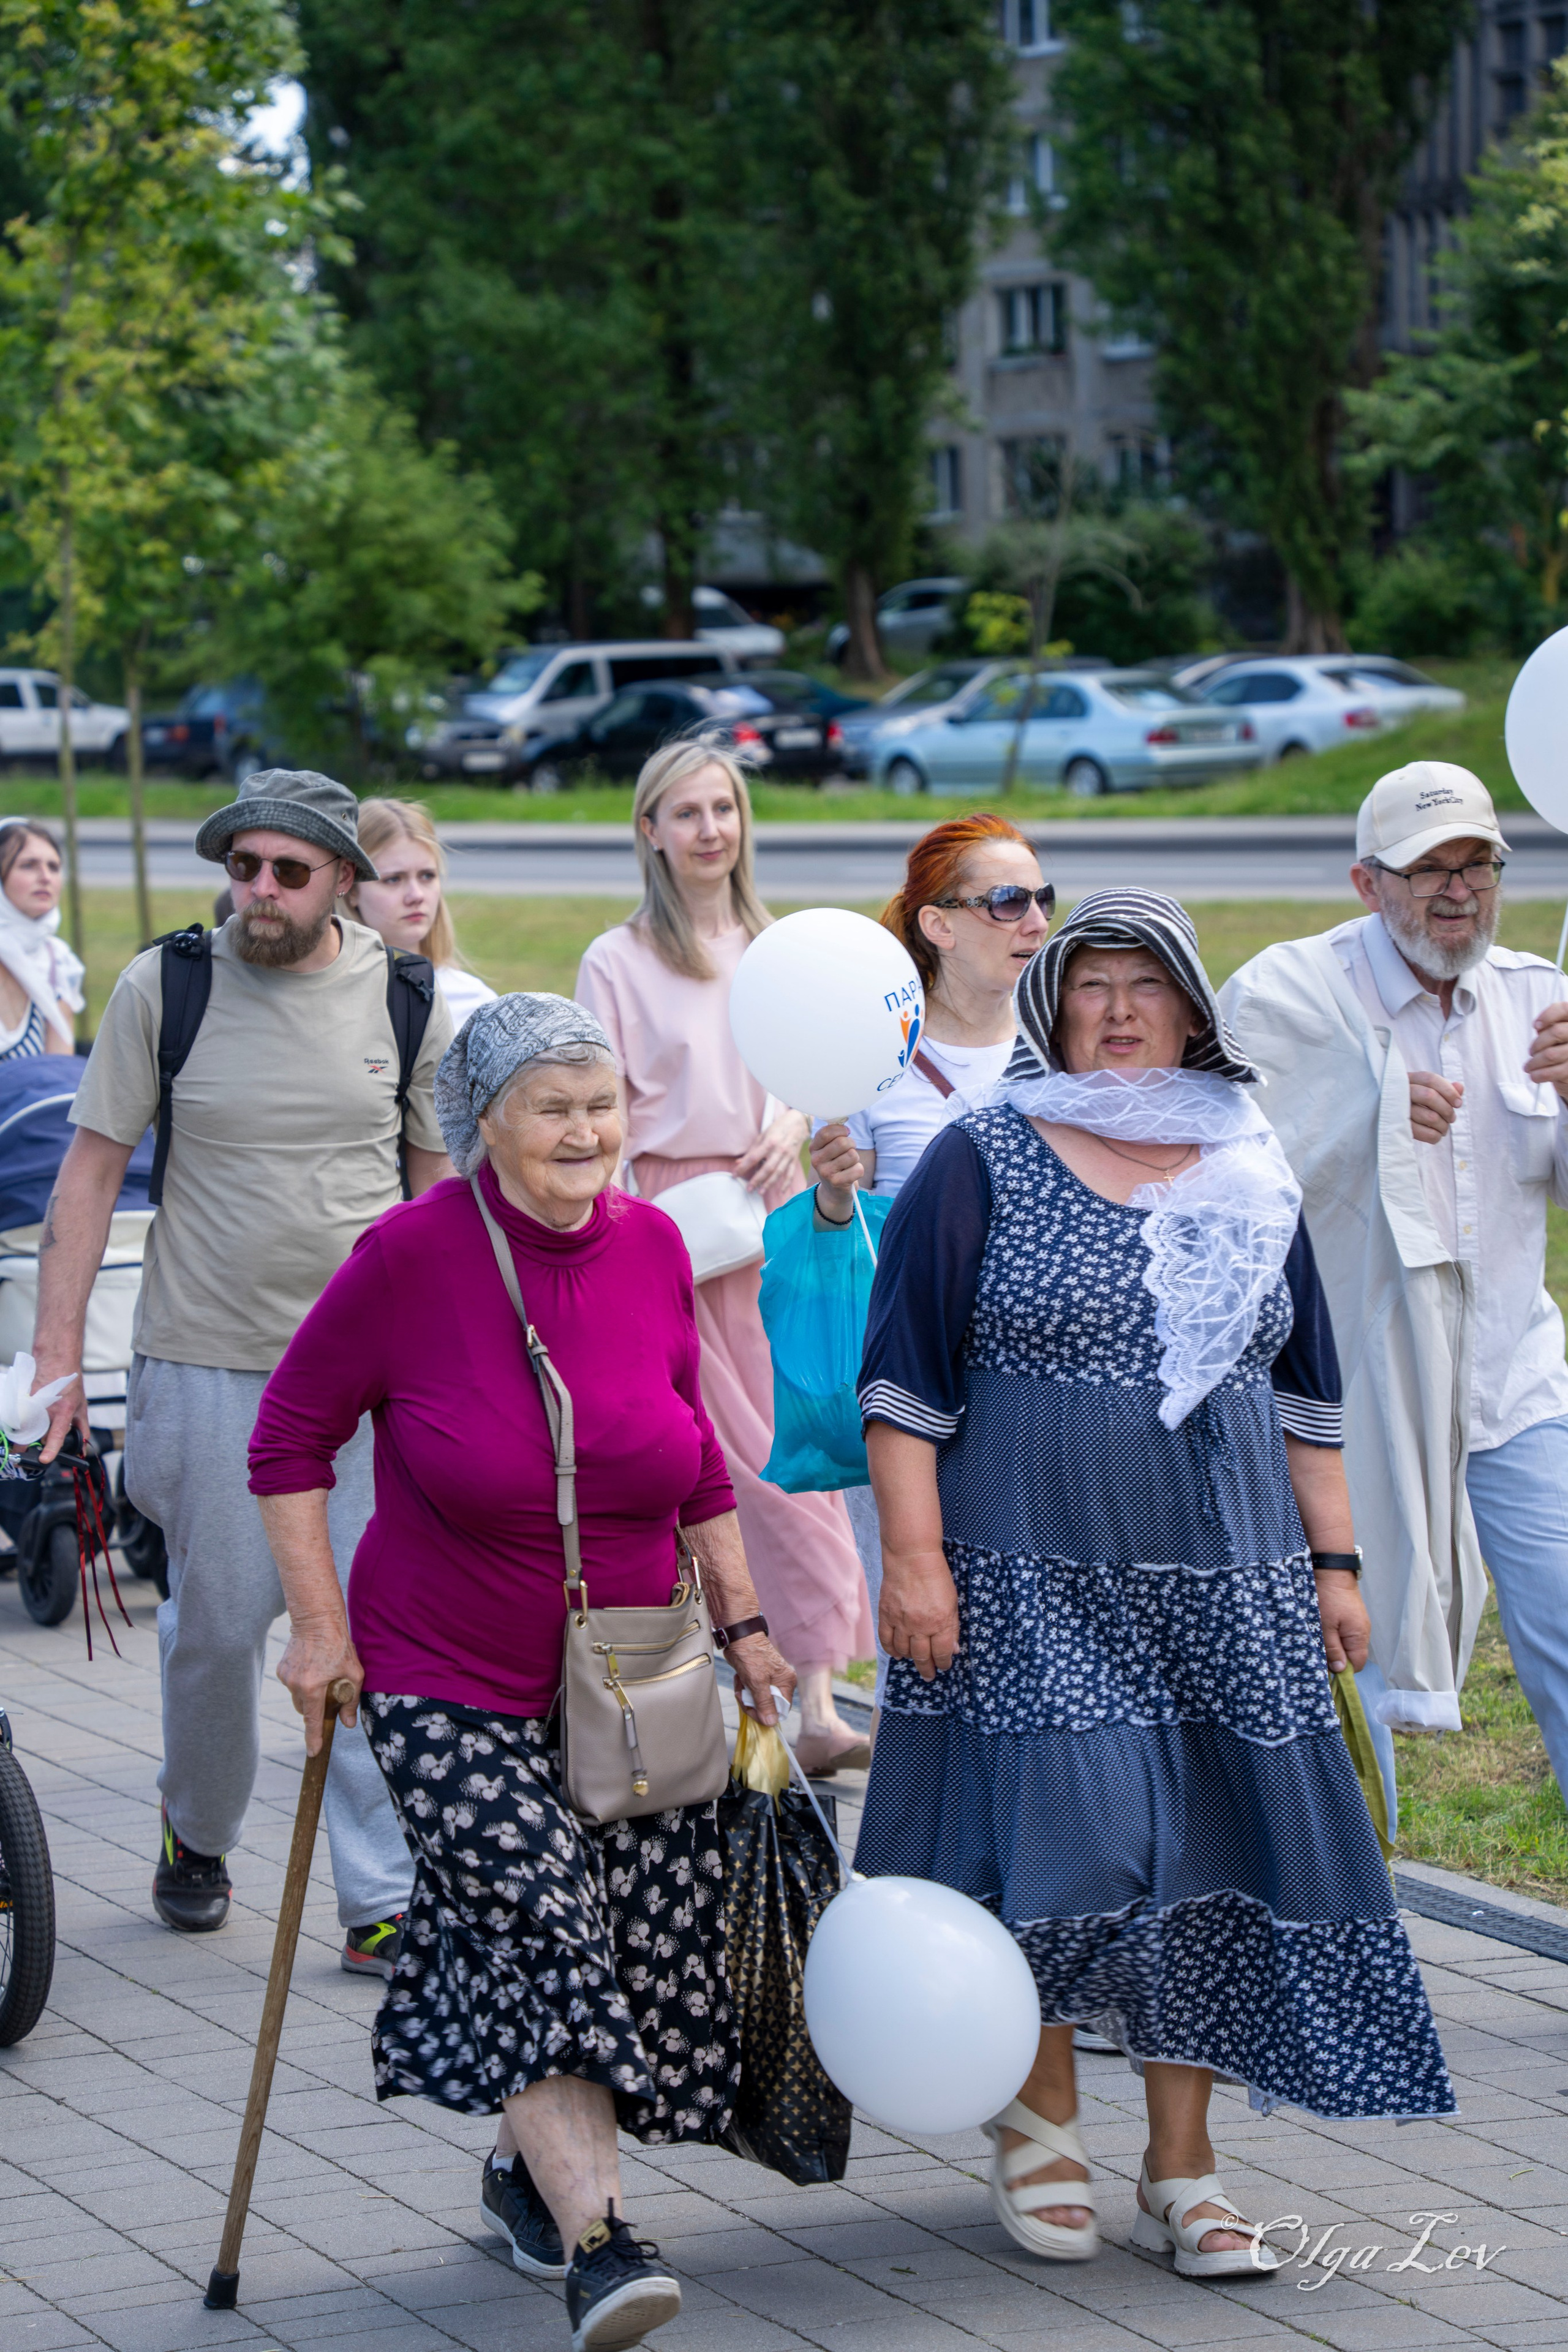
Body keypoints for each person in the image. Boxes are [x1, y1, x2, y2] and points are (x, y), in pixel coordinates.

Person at [856, 888, 1453, 2277]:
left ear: (1193, 1011)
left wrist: (1336, 1565)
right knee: (1076, 1837)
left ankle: (1180, 2169)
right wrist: (912, 1560)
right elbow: (901, 1381)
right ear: (1050, 1004)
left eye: (1147, 985)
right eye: (1092, 983)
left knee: (1209, 1858)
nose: (1119, 1010)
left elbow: (1304, 1387)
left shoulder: (1246, 1156)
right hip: (1027, 1571)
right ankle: (1037, 2113)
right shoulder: (982, 1153)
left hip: (1231, 1580)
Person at [248, 992, 793, 2352]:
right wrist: (318, 1629)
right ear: (483, 1121)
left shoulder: (653, 1244)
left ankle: (519, 2171)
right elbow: (288, 1441)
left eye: (601, 1105)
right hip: (443, 1674)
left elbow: (692, 1456)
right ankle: (602, 2245)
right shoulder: (407, 1257)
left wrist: (744, 1628)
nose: (584, 1131)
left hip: (631, 1678)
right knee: (545, 1931)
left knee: (617, 1939)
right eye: (552, 1107)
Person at [30, 769, 454, 1970]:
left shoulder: (406, 997)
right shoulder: (167, 986)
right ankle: (198, 1829)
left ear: (343, 881)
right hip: (207, 1360)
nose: (259, 889)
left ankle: (380, 1894)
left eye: (288, 871)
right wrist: (55, 1358)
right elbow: (89, 1174)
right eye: (242, 866)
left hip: (368, 1381)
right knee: (217, 1632)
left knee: (369, 1626)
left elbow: (435, 1191)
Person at [1221, 760, 1568, 1820]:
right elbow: (1224, 1168)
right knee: (1344, 1651)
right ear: (1368, 883)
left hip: (1513, 1389)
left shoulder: (1538, 1000)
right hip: (1347, 1402)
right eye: (1428, 870)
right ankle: (1354, 1888)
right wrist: (1368, 1110)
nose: (1456, 891)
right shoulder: (1290, 993)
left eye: (1477, 865)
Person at [575, 738, 872, 1776]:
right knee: (718, 1460)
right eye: (688, 812)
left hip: (776, 1212)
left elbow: (811, 1069)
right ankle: (737, 1687)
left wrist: (790, 1123)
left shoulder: (775, 944)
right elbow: (600, 1104)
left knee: (809, 1444)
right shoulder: (616, 959)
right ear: (650, 829)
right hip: (671, 1229)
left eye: (725, 809)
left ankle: (818, 1696)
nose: (711, 830)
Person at [808, 813, 1053, 1702]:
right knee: (926, 1639)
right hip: (916, 1394)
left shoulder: (1064, 1049)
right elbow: (839, 1248)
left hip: (1044, 1388)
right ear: (938, 924)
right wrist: (834, 1194)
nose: (1036, 922)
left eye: (1043, 898)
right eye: (1007, 902)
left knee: (1041, 1631)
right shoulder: (873, 1058)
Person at [341, 796, 499, 1030]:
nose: (416, 895)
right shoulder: (328, 998)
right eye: (393, 879)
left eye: (427, 876)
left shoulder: (475, 1004)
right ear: (351, 889)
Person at [0, 820, 81, 1057]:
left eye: (54, 867)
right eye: (28, 865)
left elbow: (58, 1067)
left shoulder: (58, 960)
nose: (45, 877)